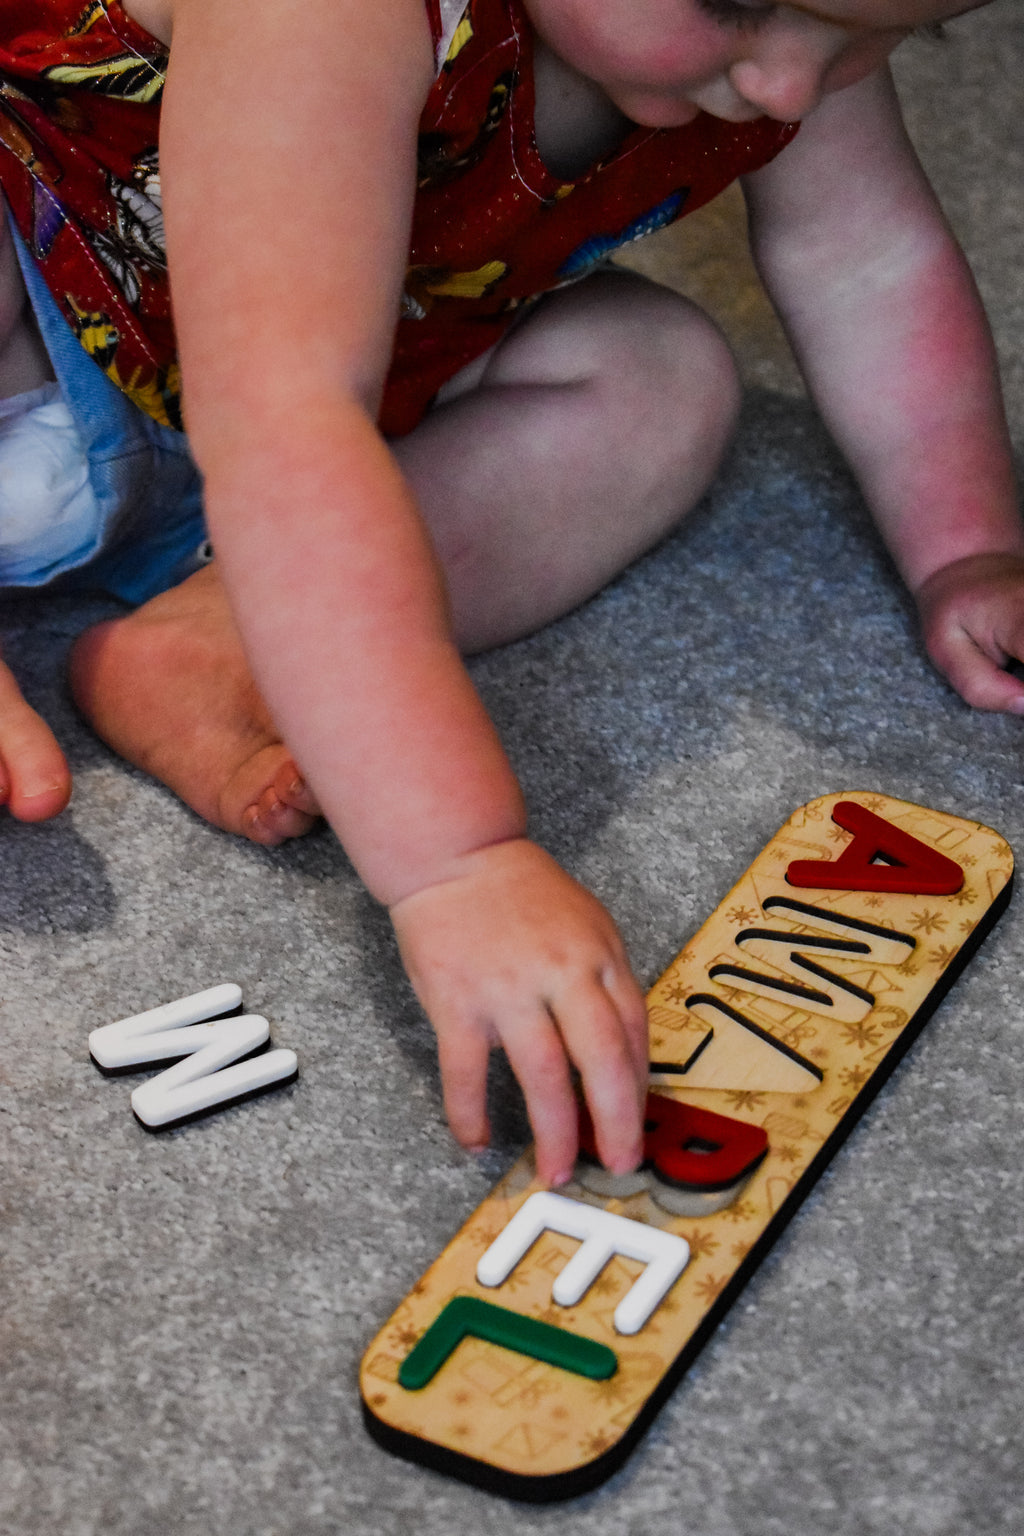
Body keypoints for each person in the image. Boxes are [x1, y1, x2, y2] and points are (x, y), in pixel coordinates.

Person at [0, 0, 1021, 1188]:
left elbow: (869, 260)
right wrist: (458, 862)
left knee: (660, 378)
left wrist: (967, 547)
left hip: (290, 428)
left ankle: (221, 636)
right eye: (737, 0)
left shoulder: (787, 47)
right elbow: (286, 428)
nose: (790, 86)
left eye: (876, 38)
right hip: (74, 333)